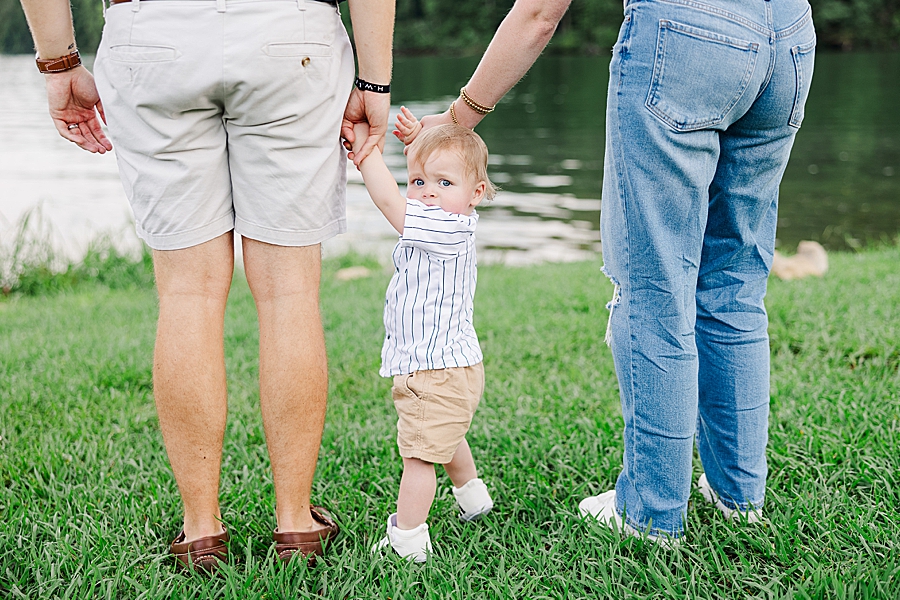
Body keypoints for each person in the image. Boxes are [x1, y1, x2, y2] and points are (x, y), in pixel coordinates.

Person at [396, 0, 816, 547]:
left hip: (685, 34)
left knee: (654, 288)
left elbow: (541, 12)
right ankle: (739, 498)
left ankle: (652, 513)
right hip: (788, 38)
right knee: (734, 286)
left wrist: (459, 119)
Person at [19, 0, 394, 572]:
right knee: (289, 292)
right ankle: (295, 523)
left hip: (153, 33)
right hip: (288, 35)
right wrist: (373, 79)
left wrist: (59, 61)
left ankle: (200, 530)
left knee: (186, 293)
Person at [350, 114, 497, 562]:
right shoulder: (452, 221)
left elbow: (389, 202)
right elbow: (428, 176)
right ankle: (473, 498)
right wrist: (421, 145)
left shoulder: (443, 227)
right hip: (457, 365)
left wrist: (366, 152)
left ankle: (408, 539)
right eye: (418, 180)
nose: (427, 191)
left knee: (419, 456)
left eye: (444, 183)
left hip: (432, 369)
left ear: (476, 195)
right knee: (445, 435)